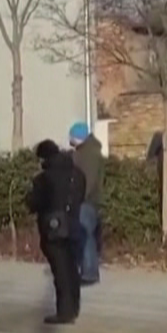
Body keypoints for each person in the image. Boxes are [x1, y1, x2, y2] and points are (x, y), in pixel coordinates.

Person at [26, 139, 86, 325]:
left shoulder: (44, 179)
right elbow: (81, 196)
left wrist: (30, 197)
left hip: (53, 229)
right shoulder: (77, 174)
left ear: (44, 157)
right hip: (75, 225)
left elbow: (35, 203)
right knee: (72, 269)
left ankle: (64, 312)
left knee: (60, 271)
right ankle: (74, 307)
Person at [69, 122, 105, 285]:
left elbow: (88, 181)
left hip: (86, 202)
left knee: (86, 235)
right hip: (86, 201)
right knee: (84, 235)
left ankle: (90, 272)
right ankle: (85, 269)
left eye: (71, 136)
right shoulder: (86, 152)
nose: (69, 139)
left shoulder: (88, 154)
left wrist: (78, 198)